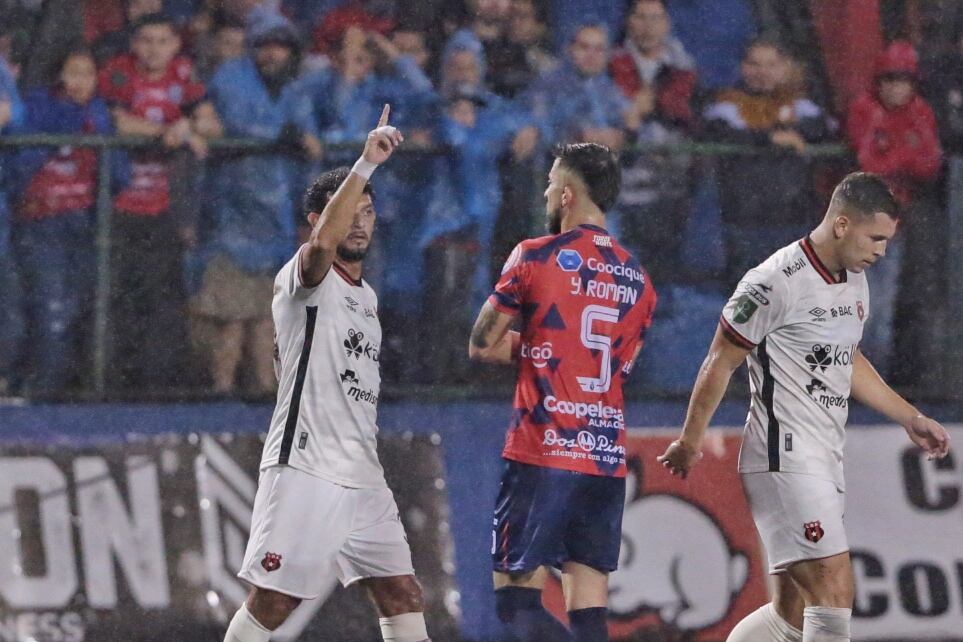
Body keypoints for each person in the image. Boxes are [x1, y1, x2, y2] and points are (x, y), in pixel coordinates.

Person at [657, 172, 951, 642]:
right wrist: (691, 440)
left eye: (887, 241)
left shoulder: (855, 280)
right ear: (841, 224)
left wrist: (908, 416)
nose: (880, 251)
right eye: (874, 238)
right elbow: (720, 359)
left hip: (822, 455)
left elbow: (846, 358)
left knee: (790, 616)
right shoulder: (775, 281)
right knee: (835, 590)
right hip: (783, 454)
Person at [223, 105, 431, 642]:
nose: (359, 221)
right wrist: (365, 163)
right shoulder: (305, 276)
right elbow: (321, 249)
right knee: (275, 600)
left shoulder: (368, 298)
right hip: (308, 463)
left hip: (361, 469)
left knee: (401, 593)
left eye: (368, 211)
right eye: (347, 211)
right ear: (318, 220)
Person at [468, 142, 658, 642]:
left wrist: (539, 348)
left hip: (543, 448)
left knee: (516, 602)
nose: (547, 195)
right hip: (603, 455)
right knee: (590, 614)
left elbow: (482, 344)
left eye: (551, 186)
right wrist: (555, 348)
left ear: (568, 195)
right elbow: (620, 365)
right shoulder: (638, 278)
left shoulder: (535, 256)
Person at [192, 8, 320, 396]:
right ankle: (222, 389)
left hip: (277, 219)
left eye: (280, 46)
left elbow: (308, 139)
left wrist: (299, 141)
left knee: (270, 313)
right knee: (230, 313)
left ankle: (265, 389)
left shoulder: (295, 87)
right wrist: (279, 138)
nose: (272, 53)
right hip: (232, 213)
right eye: (265, 45)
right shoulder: (231, 76)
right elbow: (238, 123)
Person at [99, 12, 222, 391]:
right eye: (146, 41)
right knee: (119, 297)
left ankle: (157, 386)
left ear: (175, 45)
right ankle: (113, 386)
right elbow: (114, 121)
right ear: (135, 45)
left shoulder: (184, 76)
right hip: (116, 211)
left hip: (165, 212)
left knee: (163, 298)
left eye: (163, 41)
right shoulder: (118, 73)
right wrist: (171, 131)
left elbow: (213, 126)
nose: (154, 49)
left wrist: (188, 128)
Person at [10, 49, 119, 395]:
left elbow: (118, 173)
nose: (79, 81)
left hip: (85, 223)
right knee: (48, 308)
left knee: (80, 308)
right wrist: (65, 120)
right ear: (58, 75)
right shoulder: (36, 107)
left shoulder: (99, 111)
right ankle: (37, 392)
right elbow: (18, 167)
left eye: (87, 73)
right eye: (73, 72)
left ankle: (68, 391)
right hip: (42, 223)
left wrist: (95, 126)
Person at [846, 40, 942, 386]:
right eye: (889, 78)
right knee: (854, 308)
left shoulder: (920, 111)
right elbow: (869, 164)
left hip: (892, 224)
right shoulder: (865, 108)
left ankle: (871, 388)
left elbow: (930, 164)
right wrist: (905, 156)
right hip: (853, 224)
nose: (895, 86)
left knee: (882, 309)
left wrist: (897, 156)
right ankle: (846, 386)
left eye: (902, 79)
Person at [703, 37, 831, 285]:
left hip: (793, 220)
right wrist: (771, 138)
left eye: (771, 65)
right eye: (755, 64)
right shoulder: (727, 102)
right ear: (743, 67)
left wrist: (792, 131)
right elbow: (719, 131)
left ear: (784, 68)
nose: (763, 72)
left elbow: (823, 127)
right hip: (743, 222)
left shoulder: (798, 103)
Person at [610, 0, 697, 290]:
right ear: (629, 22)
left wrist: (651, 103)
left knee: (662, 271)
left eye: (655, 18)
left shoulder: (684, 66)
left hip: (670, 184)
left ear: (667, 23)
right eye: (640, 17)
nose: (648, 26)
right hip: (624, 184)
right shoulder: (612, 63)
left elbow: (685, 112)